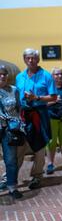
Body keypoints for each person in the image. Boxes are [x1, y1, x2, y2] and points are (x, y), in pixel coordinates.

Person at [15, 48, 57, 190]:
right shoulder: (20, 77)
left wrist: (37, 98)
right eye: (28, 58)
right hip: (23, 115)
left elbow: (54, 97)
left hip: (39, 114)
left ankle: (37, 176)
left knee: (39, 147)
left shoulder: (46, 76)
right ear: (24, 59)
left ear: (38, 60)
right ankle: (10, 176)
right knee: (19, 146)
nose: (31, 60)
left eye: (33, 58)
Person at [0, 65, 24, 199]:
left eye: (4, 74)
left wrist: (20, 122)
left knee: (10, 160)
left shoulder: (14, 90)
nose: (2, 76)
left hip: (9, 129)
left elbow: (20, 108)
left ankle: (12, 187)